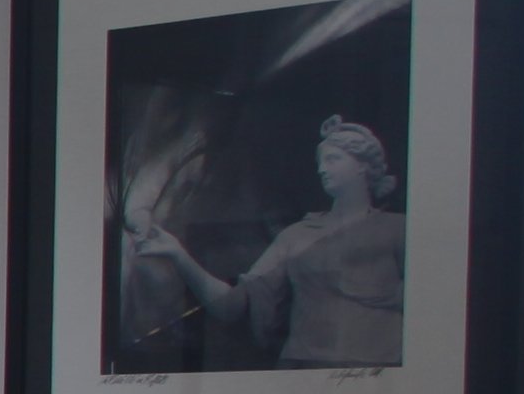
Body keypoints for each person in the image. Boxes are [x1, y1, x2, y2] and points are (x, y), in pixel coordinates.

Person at [130, 113, 408, 369]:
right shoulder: (297, 234)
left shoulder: (398, 229)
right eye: (320, 162)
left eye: (333, 159)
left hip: (379, 373)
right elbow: (233, 306)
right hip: (302, 373)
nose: (322, 169)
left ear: (361, 166)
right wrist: (178, 254)